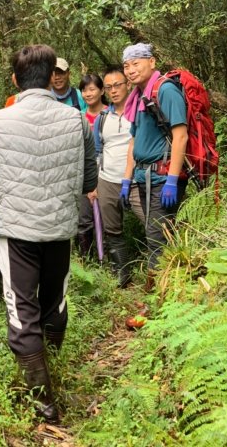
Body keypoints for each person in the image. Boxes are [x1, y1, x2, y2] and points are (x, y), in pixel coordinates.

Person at [0, 44, 97, 423]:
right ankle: (53, 366)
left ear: (15, 80)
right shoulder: (78, 121)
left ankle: (44, 401)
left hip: (16, 233)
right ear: (50, 79)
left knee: (21, 309)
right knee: (54, 302)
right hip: (61, 230)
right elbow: (89, 178)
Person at [121, 43, 188, 290]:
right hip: (143, 177)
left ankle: (157, 295)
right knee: (159, 235)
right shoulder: (138, 96)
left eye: (136, 63)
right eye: (126, 65)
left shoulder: (166, 91)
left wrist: (172, 180)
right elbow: (134, 140)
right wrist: (127, 179)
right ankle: (170, 289)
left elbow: (180, 136)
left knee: (156, 238)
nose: (130, 70)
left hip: (163, 178)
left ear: (152, 62)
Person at [92, 65, 144, 287]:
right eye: (108, 87)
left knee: (152, 225)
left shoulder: (141, 110)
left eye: (117, 85)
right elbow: (97, 151)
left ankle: (158, 270)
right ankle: (123, 273)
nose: (113, 90)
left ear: (128, 85)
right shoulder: (102, 118)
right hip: (108, 180)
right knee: (113, 230)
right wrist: (94, 185)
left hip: (136, 181)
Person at [77, 74, 109, 255]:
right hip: (84, 173)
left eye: (92, 89)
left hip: (107, 172)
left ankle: (108, 258)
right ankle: (86, 261)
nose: (88, 94)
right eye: (84, 90)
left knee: (107, 218)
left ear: (102, 90)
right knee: (84, 219)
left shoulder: (110, 114)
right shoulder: (79, 118)